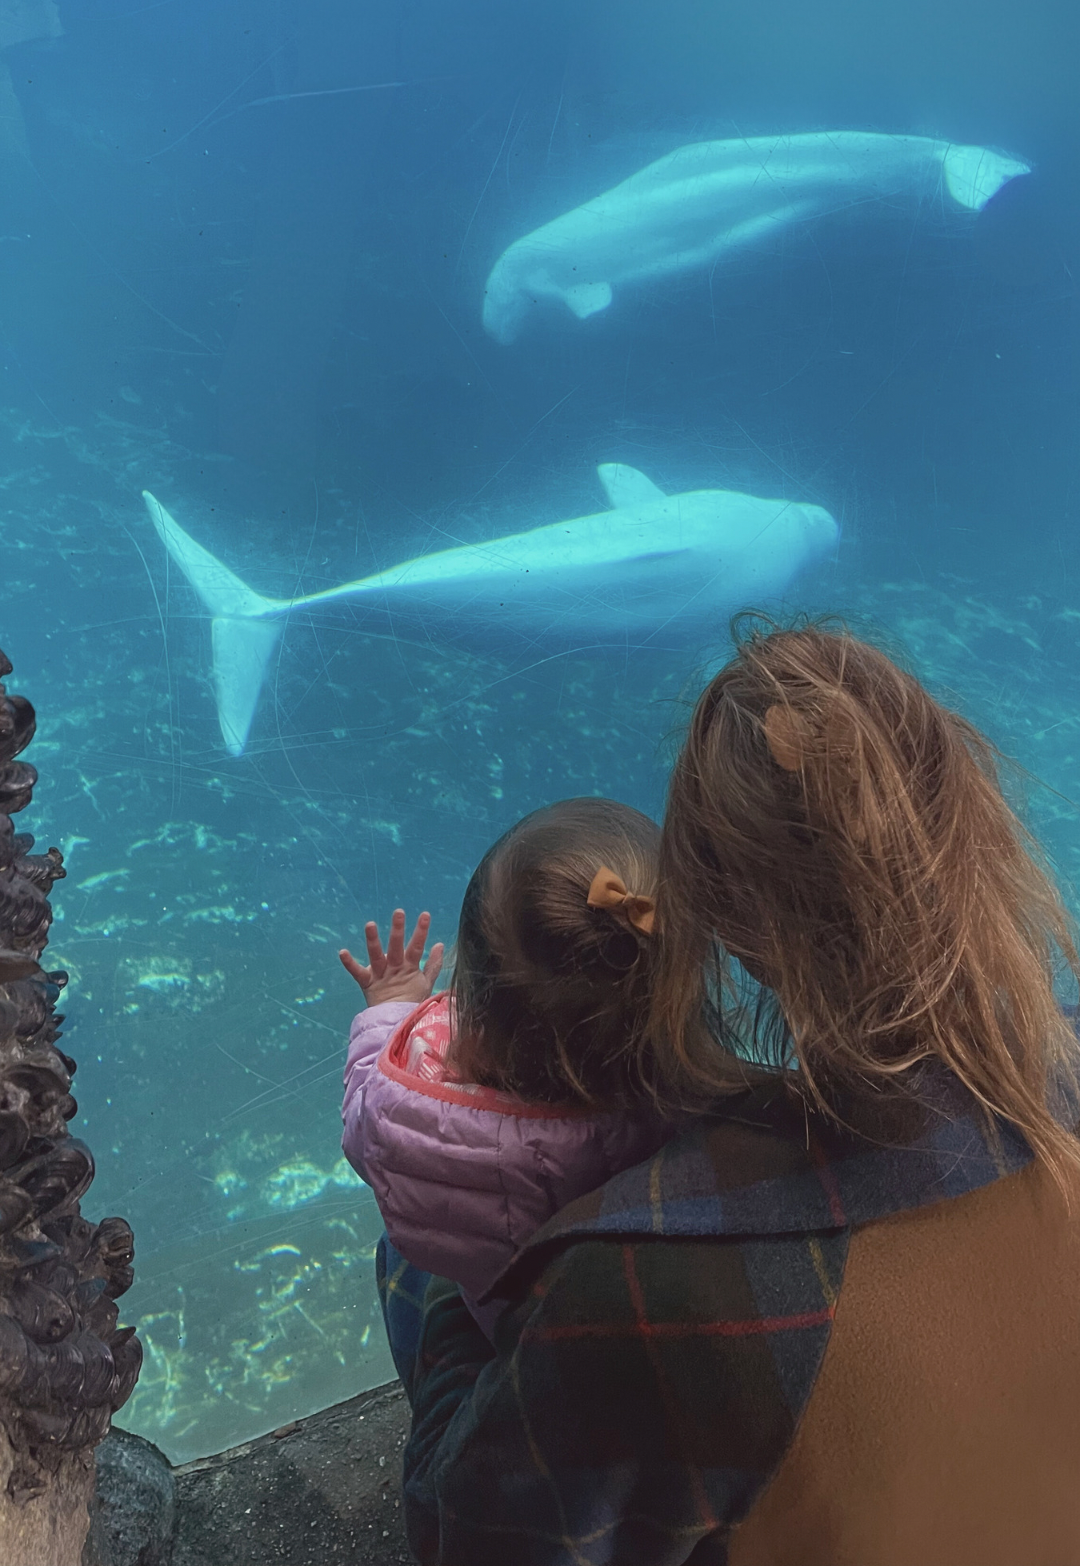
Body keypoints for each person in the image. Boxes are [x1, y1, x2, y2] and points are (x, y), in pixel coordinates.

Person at [374, 622, 1080, 1566]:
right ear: (969, 811)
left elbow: (467, 1532)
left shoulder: (652, 1275)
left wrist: (430, 1270)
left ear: (724, 931)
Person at [339, 798, 683, 1339]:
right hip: (619, 1327)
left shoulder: (404, 1112)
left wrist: (390, 1007)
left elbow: (365, 1109)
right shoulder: (679, 1115)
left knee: (400, 1257)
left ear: (474, 1005)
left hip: (501, 1326)